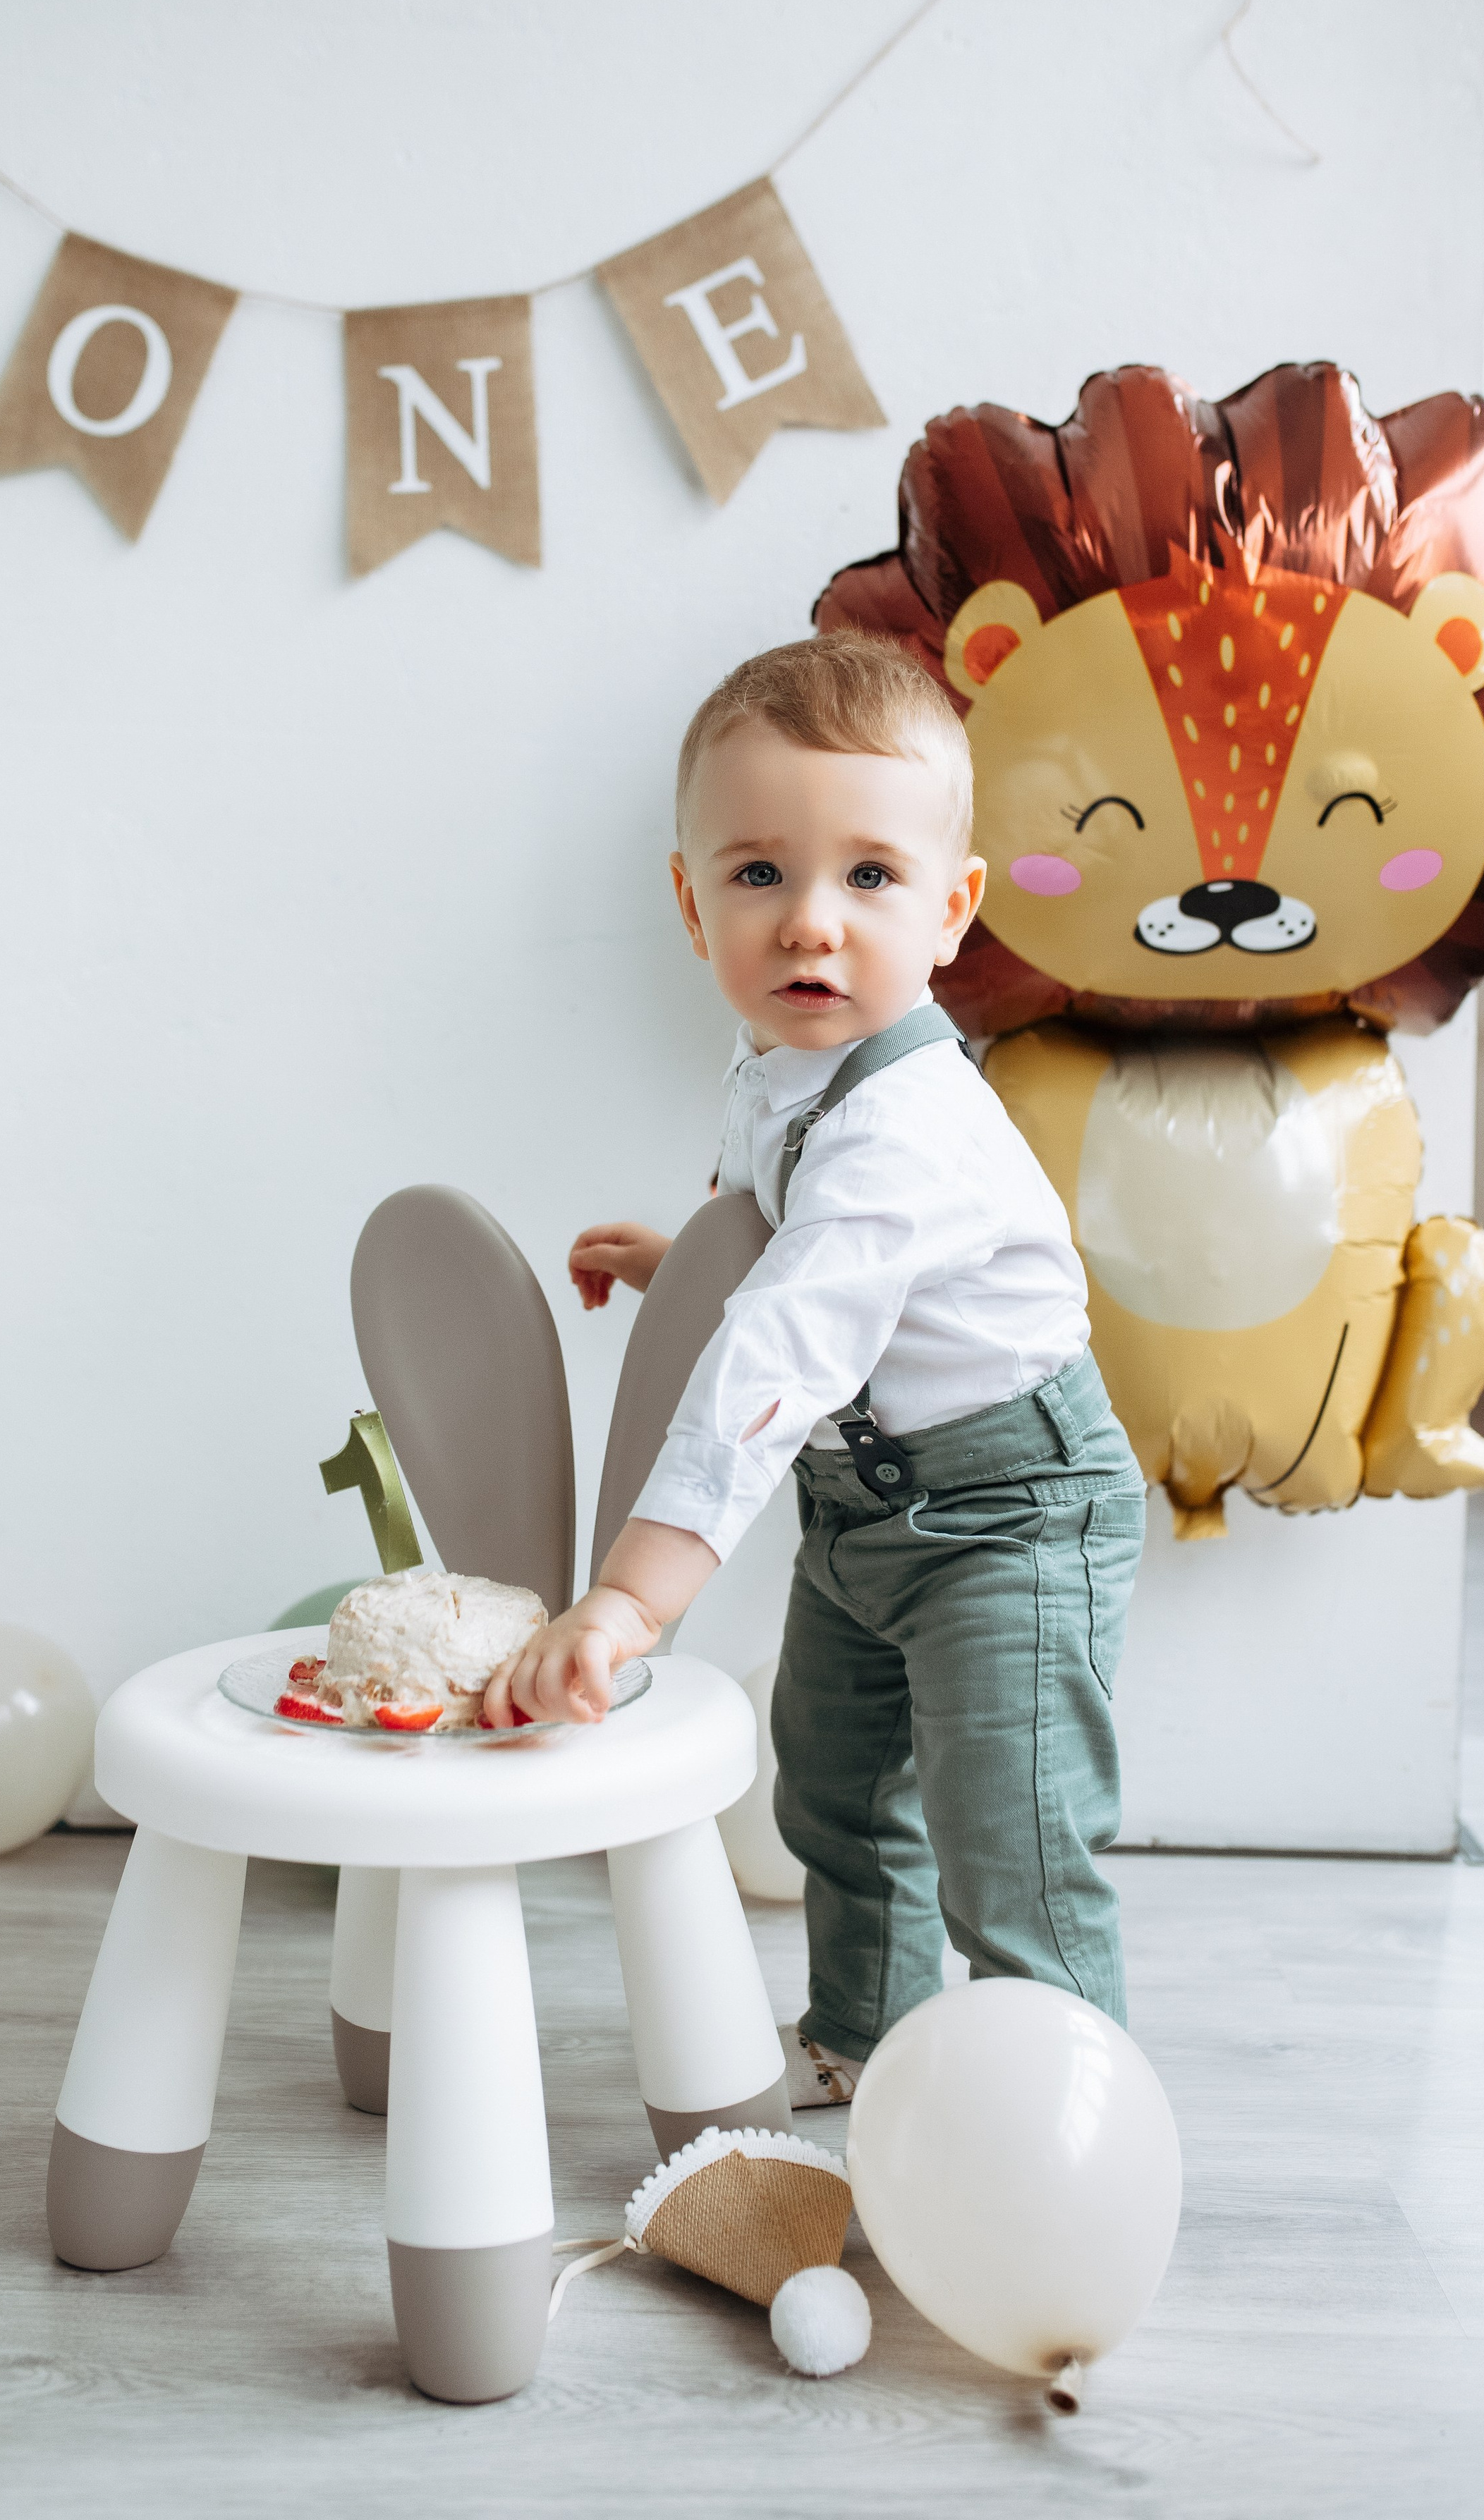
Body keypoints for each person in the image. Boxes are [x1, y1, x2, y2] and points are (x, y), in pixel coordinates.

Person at [482, 630, 1145, 2105]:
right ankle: (866, 2035)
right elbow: (792, 1253)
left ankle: (1063, 2107)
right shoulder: (779, 1072)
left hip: (1011, 1514)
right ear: (691, 902)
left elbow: (776, 1354)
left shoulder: (905, 1126)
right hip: (860, 1507)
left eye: (870, 876)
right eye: (760, 874)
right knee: (834, 1790)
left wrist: (630, 1596)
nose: (808, 926)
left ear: (951, 909)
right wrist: (687, 1263)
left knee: (1010, 1835)